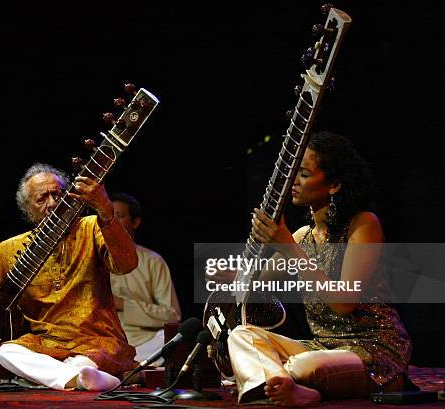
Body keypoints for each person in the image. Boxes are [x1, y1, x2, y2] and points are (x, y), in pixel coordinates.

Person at [227, 131, 412, 406]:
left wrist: (288, 247)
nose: (293, 182)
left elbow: (343, 303)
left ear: (334, 184)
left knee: (304, 366)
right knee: (243, 335)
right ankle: (286, 386)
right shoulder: (303, 236)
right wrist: (230, 275)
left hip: (371, 351)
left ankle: (271, 380)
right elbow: (255, 283)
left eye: (303, 174)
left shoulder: (362, 225)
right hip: (322, 347)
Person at [0, 163, 138, 391]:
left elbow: (127, 264)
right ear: (29, 210)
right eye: (42, 199)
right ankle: (84, 378)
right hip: (47, 344)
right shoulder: (11, 249)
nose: (52, 203)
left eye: (57, 195)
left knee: (85, 360)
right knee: (7, 352)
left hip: (98, 339)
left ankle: (78, 374)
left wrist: (106, 211)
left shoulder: (91, 228)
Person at [108, 193, 182, 364]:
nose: (112, 222)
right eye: (108, 216)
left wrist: (124, 305)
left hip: (144, 343)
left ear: (135, 222)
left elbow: (172, 315)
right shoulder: (91, 258)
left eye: (119, 216)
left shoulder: (153, 261)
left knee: (175, 339)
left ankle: (128, 368)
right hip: (104, 342)